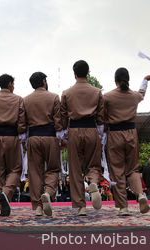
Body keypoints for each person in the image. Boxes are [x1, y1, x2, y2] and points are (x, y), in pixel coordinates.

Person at [104, 67, 150, 216]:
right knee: (133, 169)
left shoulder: (107, 97)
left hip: (114, 134)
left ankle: (123, 207)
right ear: (128, 80)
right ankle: (140, 195)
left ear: (115, 80)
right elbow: (142, 93)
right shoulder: (134, 96)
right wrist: (145, 80)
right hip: (131, 134)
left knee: (117, 171)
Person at [60, 60, 104, 216]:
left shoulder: (66, 93)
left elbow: (63, 117)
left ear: (74, 73)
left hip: (74, 130)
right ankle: (93, 183)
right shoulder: (97, 92)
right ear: (87, 72)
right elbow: (101, 116)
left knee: (75, 169)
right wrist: (99, 133)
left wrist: (64, 134)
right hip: (91, 128)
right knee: (94, 163)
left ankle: (81, 206)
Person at [0, 74, 26, 216]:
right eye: (13, 84)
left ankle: (0, 205)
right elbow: (21, 122)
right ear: (9, 84)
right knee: (15, 169)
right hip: (12, 136)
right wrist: (21, 135)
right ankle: (6, 194)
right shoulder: (18, 99)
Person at [23, 72, 62, 216]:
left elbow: (22, 123)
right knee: (53, 169)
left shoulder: (25, 100)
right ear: (44, 81)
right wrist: (61, 136)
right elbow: (58, 121)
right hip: (50, 137)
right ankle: (48, 193)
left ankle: (38, 207)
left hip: (33, 137)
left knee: (34, 172)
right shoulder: (54, 97)